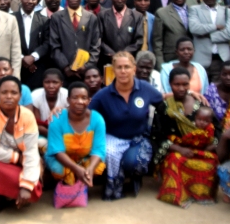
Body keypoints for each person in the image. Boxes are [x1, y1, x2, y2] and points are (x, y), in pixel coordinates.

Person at [89, 52, 163, 199]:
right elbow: (86, 114)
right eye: (119, 67)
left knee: (133, 162)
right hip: (113, 136)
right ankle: (115, 184)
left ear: (134, 69)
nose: (123, 71)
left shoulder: (145, 88)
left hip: (139, 138)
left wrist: (191, 93)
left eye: (127, 67)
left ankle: (136, 177)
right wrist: (60, 110)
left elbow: (162, 101)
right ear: (113, 70)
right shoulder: (103, 95)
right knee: (109, 153)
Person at [0, 76, 42, 214]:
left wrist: (27, 185)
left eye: (13, 93)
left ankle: (18, 194)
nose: (8, 96)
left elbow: (31, 152)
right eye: (4, 92)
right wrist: (15, 157)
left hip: (22, 162)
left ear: (20, 95)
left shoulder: (27, 116)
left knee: (32, 189)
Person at [152, 81, 218, 209]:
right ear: (170, 85)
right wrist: (180, 149)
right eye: (177, 84)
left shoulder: (201, 104)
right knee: (174, 160)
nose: (181, 88)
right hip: (176, 148)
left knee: (212, 160)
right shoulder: (164, 107)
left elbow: (216, 131)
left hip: (201, 149)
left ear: (189, 85)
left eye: (185, 84)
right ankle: (177, 195)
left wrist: (209, 146)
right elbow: (157, 136)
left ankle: (202, 195)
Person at [45, 82, 106, 189]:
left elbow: (98, 149)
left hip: (84, 157)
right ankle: (69, 184)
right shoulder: (57, 119)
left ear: (89, 100)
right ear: (68, 100)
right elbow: (57, 151)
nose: (80, 102)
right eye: (75, 98)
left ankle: (83, 181)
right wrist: (76, 168)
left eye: (83, 98)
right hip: (62, 159)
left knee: (98, 167)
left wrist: (90, 169)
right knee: (59, 169)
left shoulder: (97, 119)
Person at [50, 0, 101, 85]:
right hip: (64, 73)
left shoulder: (91, 18)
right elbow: (54, 46)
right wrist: (65, 67)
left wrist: (86, 66)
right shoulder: (56, 18)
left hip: (85, 73)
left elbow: (96, 46)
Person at [189, 0, 230, 83]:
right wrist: (216, 27)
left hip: (221, 59)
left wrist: (209, 35)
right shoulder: (194, 9)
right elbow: (194, 28)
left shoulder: (227, 11)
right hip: (200, 59)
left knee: (218, 92)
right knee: (200, 90)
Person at [13, 0, 50, 90]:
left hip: (37, 69)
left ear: (37, 0)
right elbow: (7, 42)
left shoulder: (44, 21)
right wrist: (22, 59)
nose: (30, 1)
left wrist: (33, 57)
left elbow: (47, 43)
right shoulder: (11, 19)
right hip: (16, 68)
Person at [97, 0, 143, 66]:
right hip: (107, 60)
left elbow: (139, 40)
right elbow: (98, 38)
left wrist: (123, 55)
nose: (119, 0)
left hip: (128, 60)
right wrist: (111, 53)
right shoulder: (102, 15)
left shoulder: (137, 16)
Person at [153, 0, 191, 69]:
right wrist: (160, 64)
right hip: (171, 59)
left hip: (192, 59)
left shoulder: (193, 11)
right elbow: (157, 41)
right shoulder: (162, 13)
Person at [31, 69, 68, 150]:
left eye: (55, 82)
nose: (51, 86)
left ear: (61, 84)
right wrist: (52, 135)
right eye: (47, 82)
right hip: (44, 133)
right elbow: (36, 124)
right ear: (42, 83)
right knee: (37, 142)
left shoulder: (67, 95)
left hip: (64, 133)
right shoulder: (35, 95)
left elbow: (72, 120)